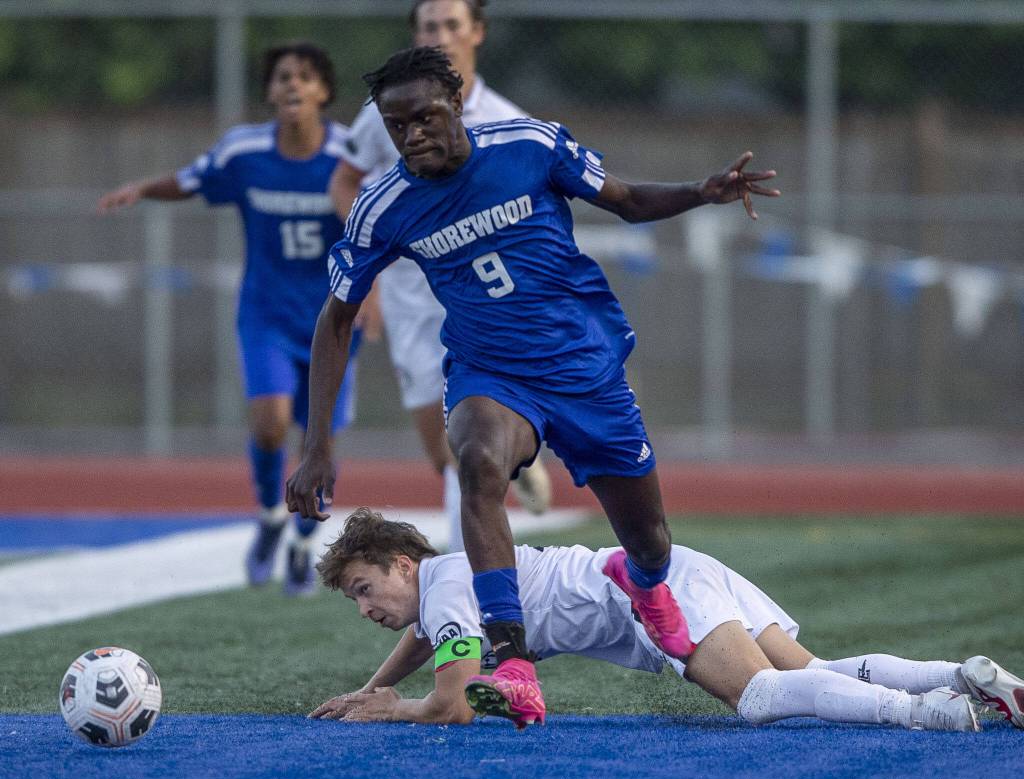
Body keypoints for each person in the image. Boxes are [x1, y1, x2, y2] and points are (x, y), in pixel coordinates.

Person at [286, 46, 781, 724]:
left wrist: (701, 192)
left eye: (425, 118)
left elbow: (628, 201)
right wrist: (317, 444)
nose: (413, 136)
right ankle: (514, 662)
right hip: (489, 372)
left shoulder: (531, 144)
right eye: (397, 126)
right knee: (478, 462)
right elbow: (335, 319)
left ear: (457, 105)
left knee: (651, 542)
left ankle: (645, 587)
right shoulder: (383, 205)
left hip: (583, 368)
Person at [308, 508, 1024, 732]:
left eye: (366, 589)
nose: (368, 609)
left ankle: (925, 713)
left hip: (652, 595)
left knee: (760, 699)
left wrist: (385, 711)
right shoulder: (450, 580)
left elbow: (455, 703)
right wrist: (374, 684)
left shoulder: (444, 584)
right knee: (813, 676)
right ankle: (967, 676)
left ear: (405, 562)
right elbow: (422, 638)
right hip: (679, 567)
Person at [99, 42, 359, 595]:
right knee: (268, 421)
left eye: (305, 77)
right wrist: (144, 188)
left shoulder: (350, 154)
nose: (293, 85)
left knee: (320, 441)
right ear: (269, 91)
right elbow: (192, 180)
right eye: (283, 76)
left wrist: (378, 296)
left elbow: (379, 221)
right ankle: (270, 516)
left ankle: (305, 542)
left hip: (333, 321)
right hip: (265, 313)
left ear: (323, 92)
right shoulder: (244, 152)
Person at [330, 0, 551, 555]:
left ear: (476, 32)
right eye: (429, 25)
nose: (441, 34)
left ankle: (479, 589)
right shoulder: (387, 110)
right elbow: (345, 181)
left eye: (452, 24)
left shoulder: (505, 119)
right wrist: (371, 281)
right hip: (411, 301)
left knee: (467, 452)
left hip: (479, 304)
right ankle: (511, 463)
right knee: (441, 454)